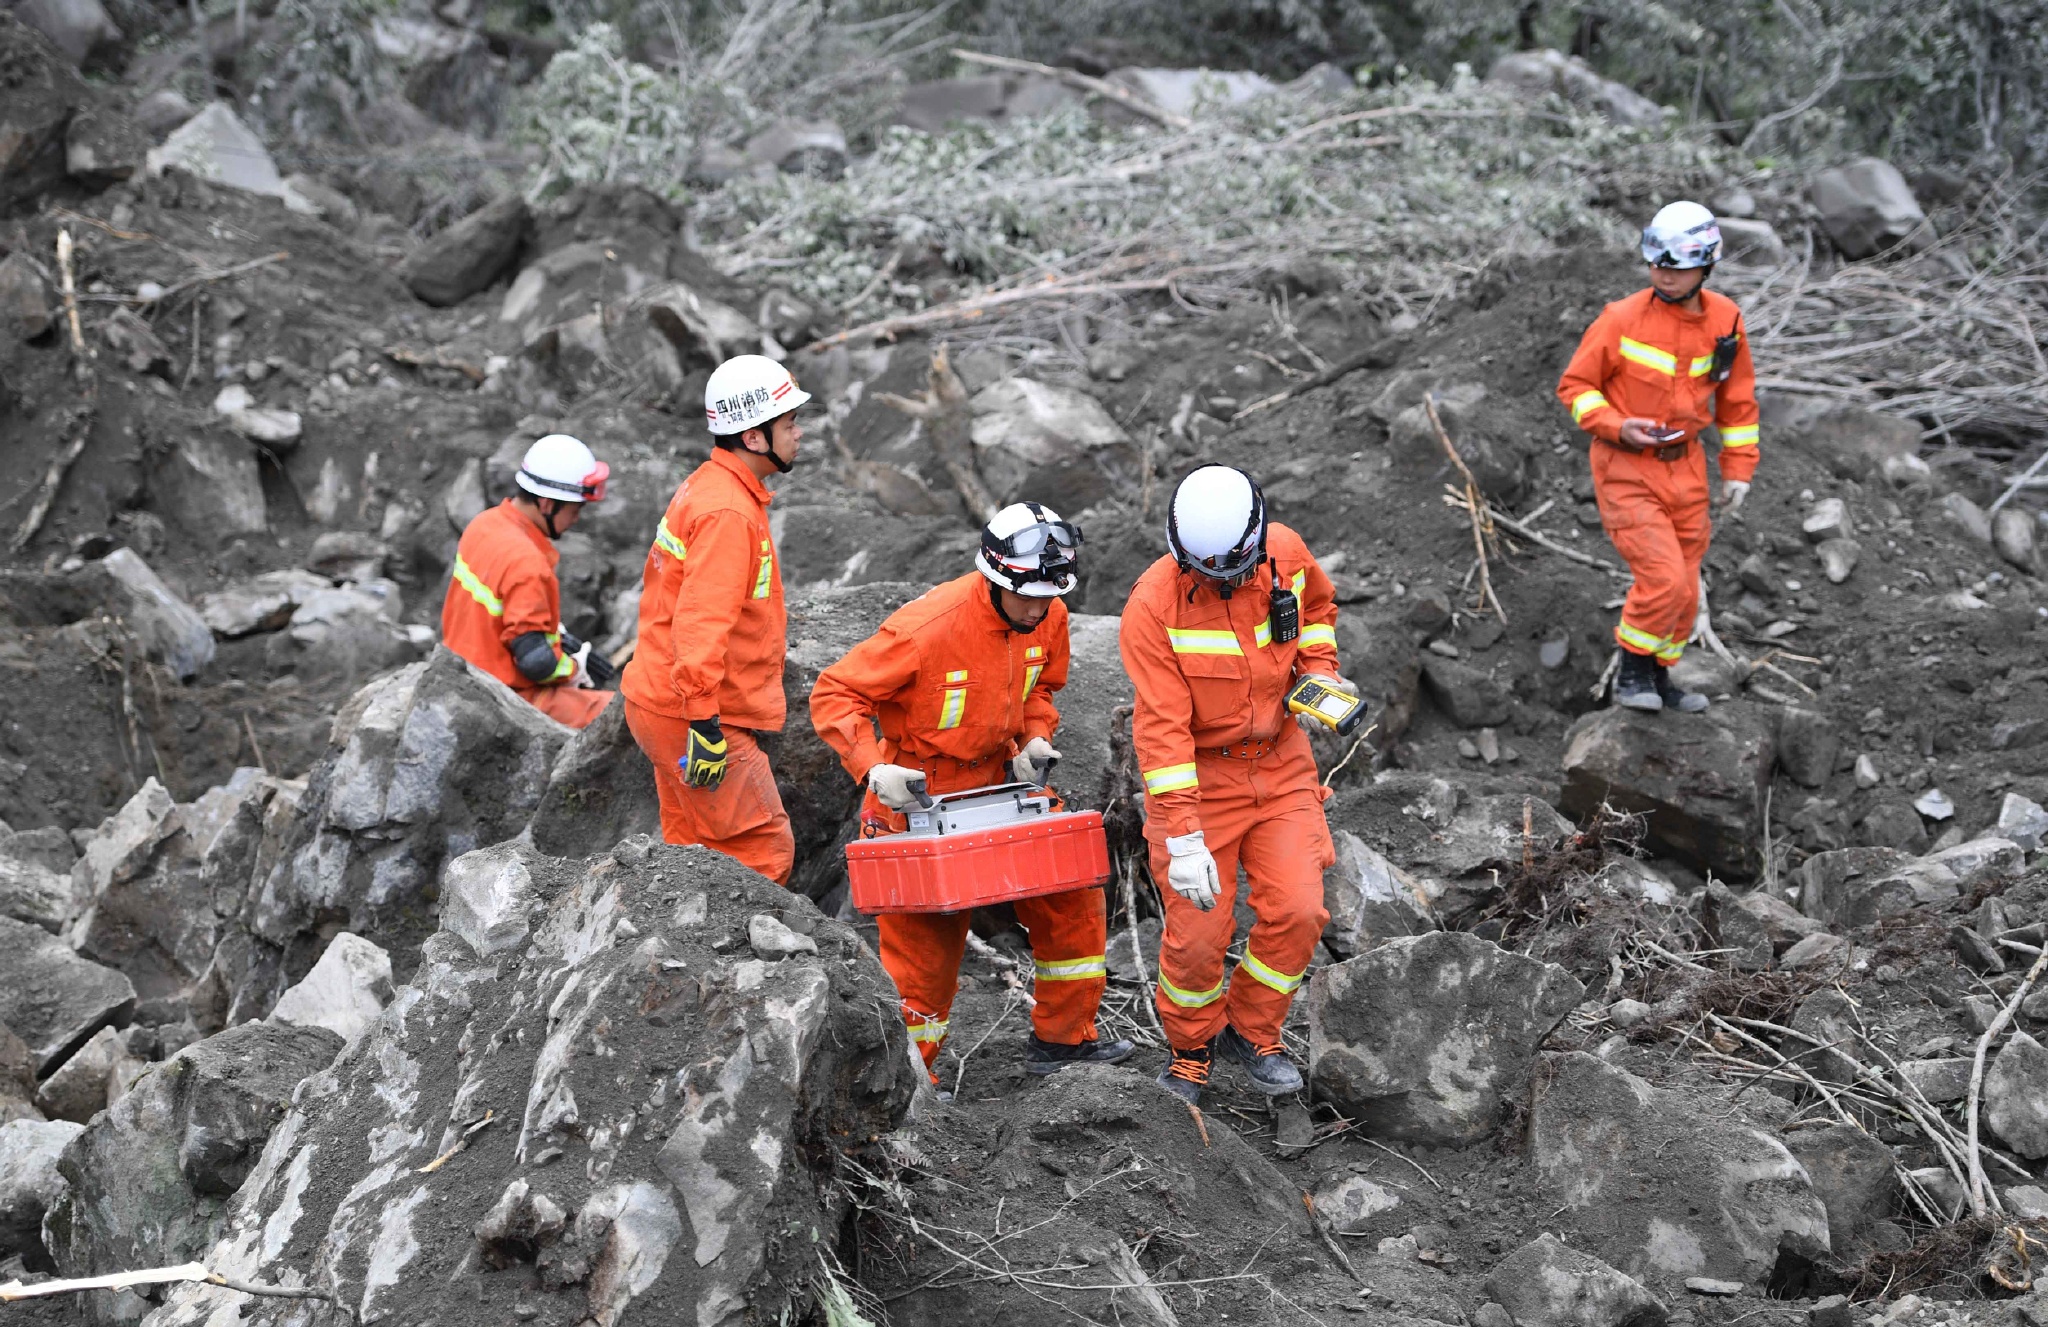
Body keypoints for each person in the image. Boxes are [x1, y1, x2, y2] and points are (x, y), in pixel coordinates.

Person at [811, 504, 1133, 1086]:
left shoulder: (1048, 615)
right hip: (916, 789)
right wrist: (872, 767)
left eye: (1049, 595)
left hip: (1000, 780)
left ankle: (1064, 1040)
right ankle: (908, 1086)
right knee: (924, 958)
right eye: (1028, 595)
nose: (1039, 608)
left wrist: (1034, 741)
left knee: (1073, 898)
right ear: (996, 578)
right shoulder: (927, 628)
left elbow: (1042, 689)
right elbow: (835, 693)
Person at [1119, 465, 1352, 1105]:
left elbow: (1320, 612)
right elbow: (1162, 734)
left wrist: (1320, 673)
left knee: (1300, 911)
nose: (1223, 583)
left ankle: (1252, 1033)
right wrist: (1185, 837)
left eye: (1234, 571)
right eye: (1208, 573)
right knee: (1197, 937)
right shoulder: (1152, 606)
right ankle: (1191, 1047)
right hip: (1199, 775)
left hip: (1280, 763)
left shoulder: (1287, 555)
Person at [1557, 200, 1761, 713]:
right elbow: (1576, 386)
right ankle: (1630, 675)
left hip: (1687, 467)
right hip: (1626, 467)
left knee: (1686, 590)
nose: (1664, 276)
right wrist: (1617, 425)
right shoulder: (1620, 319)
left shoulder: (1725, 320)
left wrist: (1738, 470)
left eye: (1677, 267)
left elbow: (1737, 400)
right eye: (1657, 266)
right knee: (1663, 578)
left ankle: (1659, 679)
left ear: (1706, 264)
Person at [620, 354, 808, 884]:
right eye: (789, 423)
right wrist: (704, 724)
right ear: (753, 437)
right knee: (761, 849)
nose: (798, 433)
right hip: (693, 715)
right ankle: (746, 966)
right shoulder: (728, 511)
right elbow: (700, 625)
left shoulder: (711, 488)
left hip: (663, 703)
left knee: (693, 853)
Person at [440, 433, 614, 729]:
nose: (576, 519)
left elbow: (501, 614)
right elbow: (537, 663)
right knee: (619, 717)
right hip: (504, 696)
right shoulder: (528, 563)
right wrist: (573, 671)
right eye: (575, 509)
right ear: (547, 504)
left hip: (460, 672)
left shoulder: (485, 524)